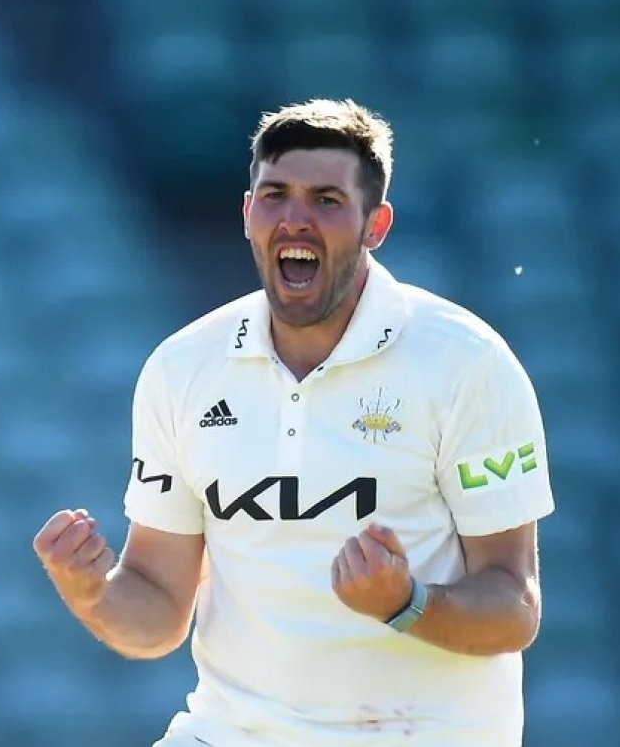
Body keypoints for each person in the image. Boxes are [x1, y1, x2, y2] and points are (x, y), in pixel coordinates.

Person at [33, 98, 555, 746]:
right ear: (247, 214)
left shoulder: (465, 363)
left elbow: (513, 607)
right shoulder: (183, 366)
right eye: (275, 195)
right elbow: (158, 614)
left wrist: (405, 603)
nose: (295, 219)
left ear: (376, 225)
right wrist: (91, 593)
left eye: (327, 200)